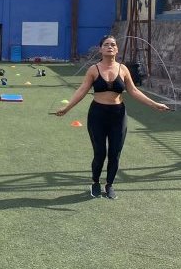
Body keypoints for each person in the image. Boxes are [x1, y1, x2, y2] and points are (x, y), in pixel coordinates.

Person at [56, 35, 170, 199]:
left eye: (113, 45)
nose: (110, 47)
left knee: (115, 153)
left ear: (117, 49)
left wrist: (155, 104)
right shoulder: (93, 69)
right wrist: (67, 108)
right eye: (106, 44)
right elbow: (82, 91)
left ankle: (109, 185)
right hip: (97, 114)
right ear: (100, 49)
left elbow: (134, 91)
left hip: (118, 115)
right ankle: (95, 182)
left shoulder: (123, 69)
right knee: (100, 152)